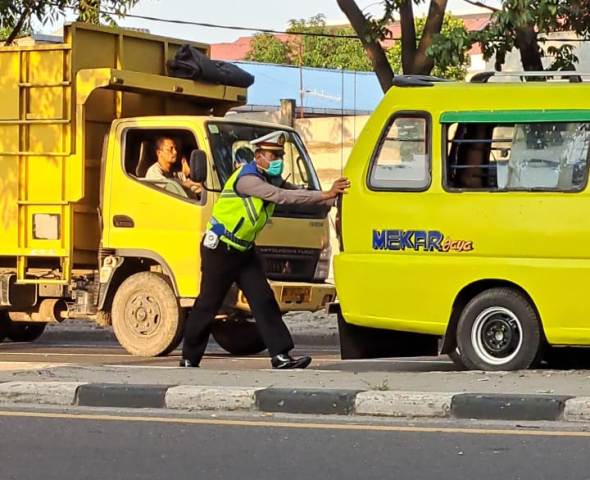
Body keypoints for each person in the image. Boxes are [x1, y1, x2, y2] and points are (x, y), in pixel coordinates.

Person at [180, 131, 350, 369]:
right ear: (258, 156)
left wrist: (335, 198)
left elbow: (299, 194)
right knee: (209, 303)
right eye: (273, 155)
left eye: (280, 155)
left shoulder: (271, 178)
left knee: (263, 300)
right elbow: (282, 197)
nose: (278, 160)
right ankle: (189, 357)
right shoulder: (247, 179)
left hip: (245, 250)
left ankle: (280, 355)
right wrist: (326, 194)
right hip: (221, 248)